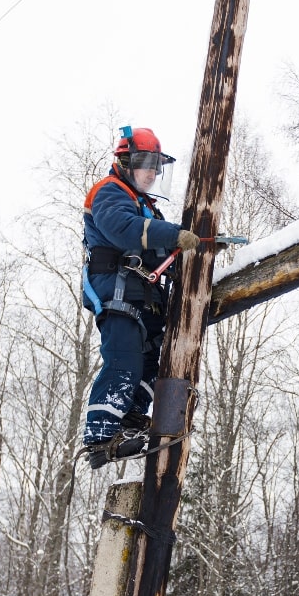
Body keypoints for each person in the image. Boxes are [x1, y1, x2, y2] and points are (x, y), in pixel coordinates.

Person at [82, 126, 199, 468]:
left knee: (151, 362)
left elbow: (162, 248)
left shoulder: (144, 206)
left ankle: (131, 417)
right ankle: (100, 437)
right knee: (124, 361)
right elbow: (124, 230)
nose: (152, 172)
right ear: (124, 161)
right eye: (146, 163)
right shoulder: (110, 193)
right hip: (117, 292)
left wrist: (196, 250)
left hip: (143, 296)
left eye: (157, 166)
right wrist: (176, 235)